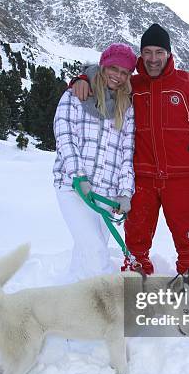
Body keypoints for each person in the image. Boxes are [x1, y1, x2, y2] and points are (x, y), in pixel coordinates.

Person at [71, 24, 189, 291]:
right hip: (141, 179)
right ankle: (135, 292)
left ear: (168, 53)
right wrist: (81, 79)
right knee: (136, 243)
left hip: (181, 179)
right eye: (147, 52)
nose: (153, 59)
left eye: (159, 52)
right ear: (141, 54)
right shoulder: (132, 85)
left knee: (188, 243)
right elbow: (103, 83)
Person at [54, 43, 136, 281]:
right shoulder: (76, 94)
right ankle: (116, 311)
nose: (118, 76)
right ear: (103, 66)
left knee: (84, 257)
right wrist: (78, 175)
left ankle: (73, 306)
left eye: (124, 72)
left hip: (107, 194)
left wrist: (124, 193)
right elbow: (64, 135)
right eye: (114, 68)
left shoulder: (126, 108)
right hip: (73, 187)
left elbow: (126, 153)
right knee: (96, 254)